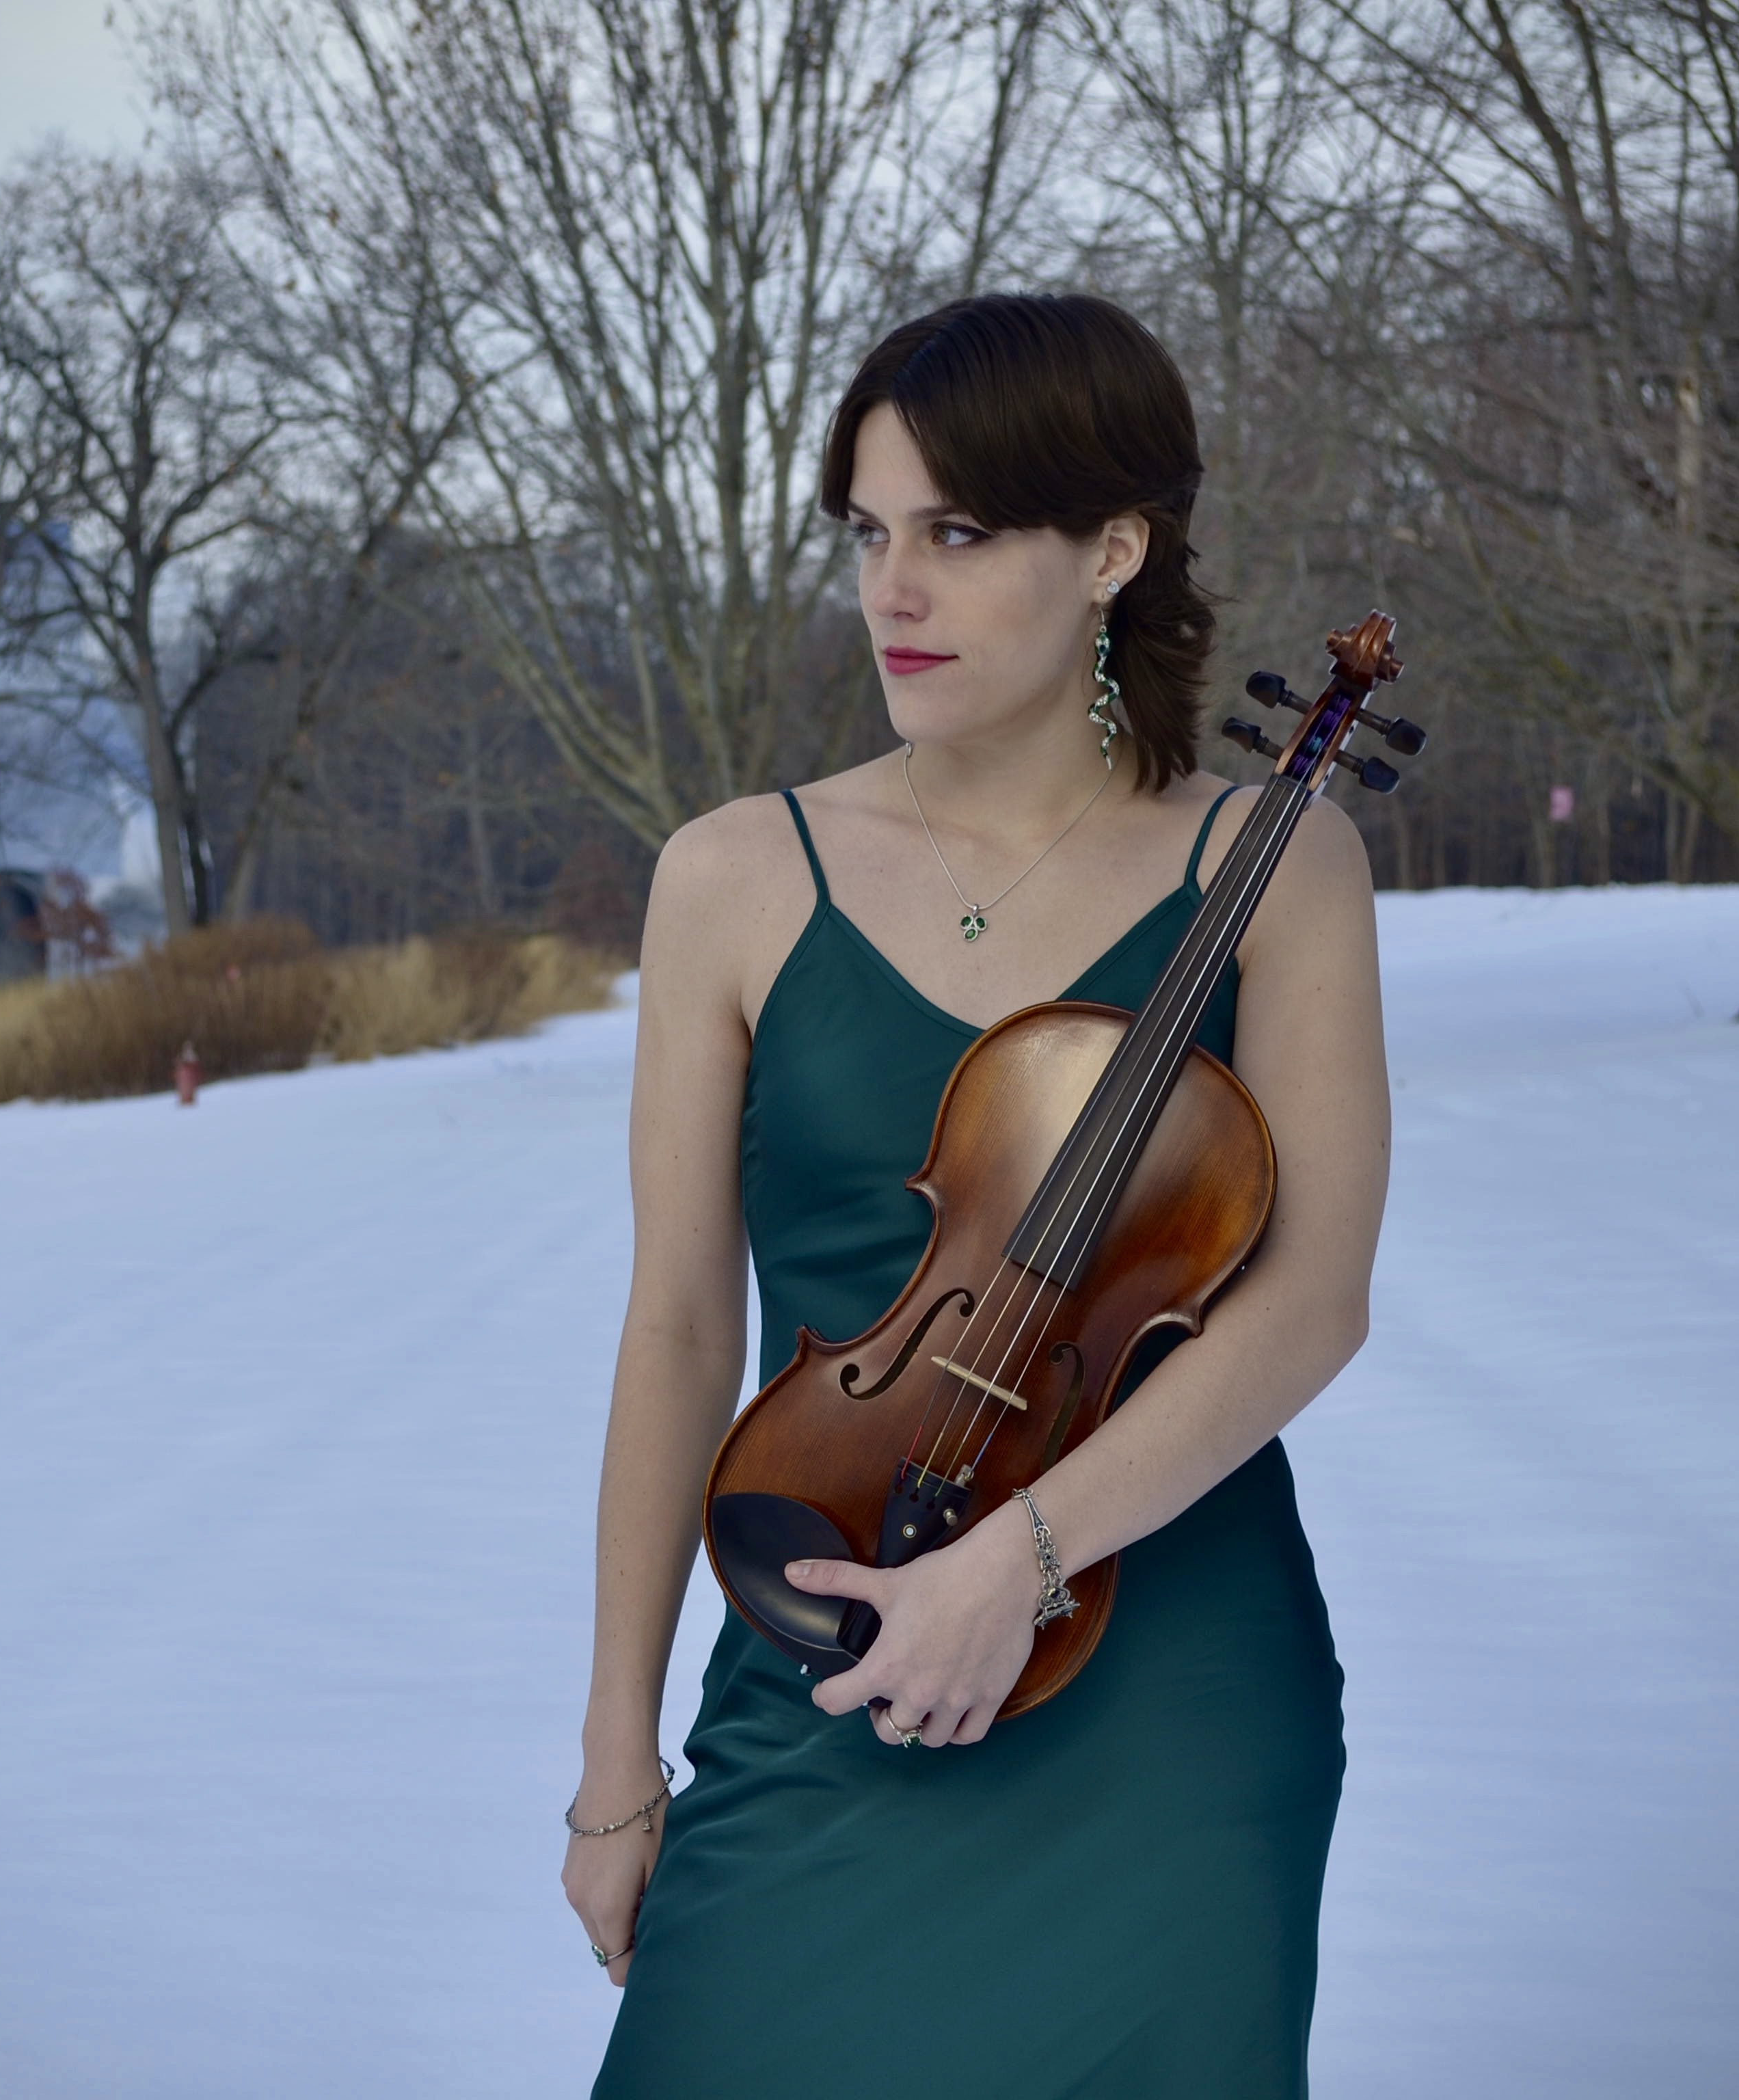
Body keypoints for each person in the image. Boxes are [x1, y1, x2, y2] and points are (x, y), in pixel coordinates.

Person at [563, 291, 1391, 2097]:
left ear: (1114, 550)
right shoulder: (734, 878)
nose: (893, 591)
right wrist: (616, 1758)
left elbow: (1311, 1300)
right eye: (868, 534)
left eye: (954, 533)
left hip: (1167, 1708)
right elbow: (681, 1327)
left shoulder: (1277, 862)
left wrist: (1026, 1557)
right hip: (825, 1652)